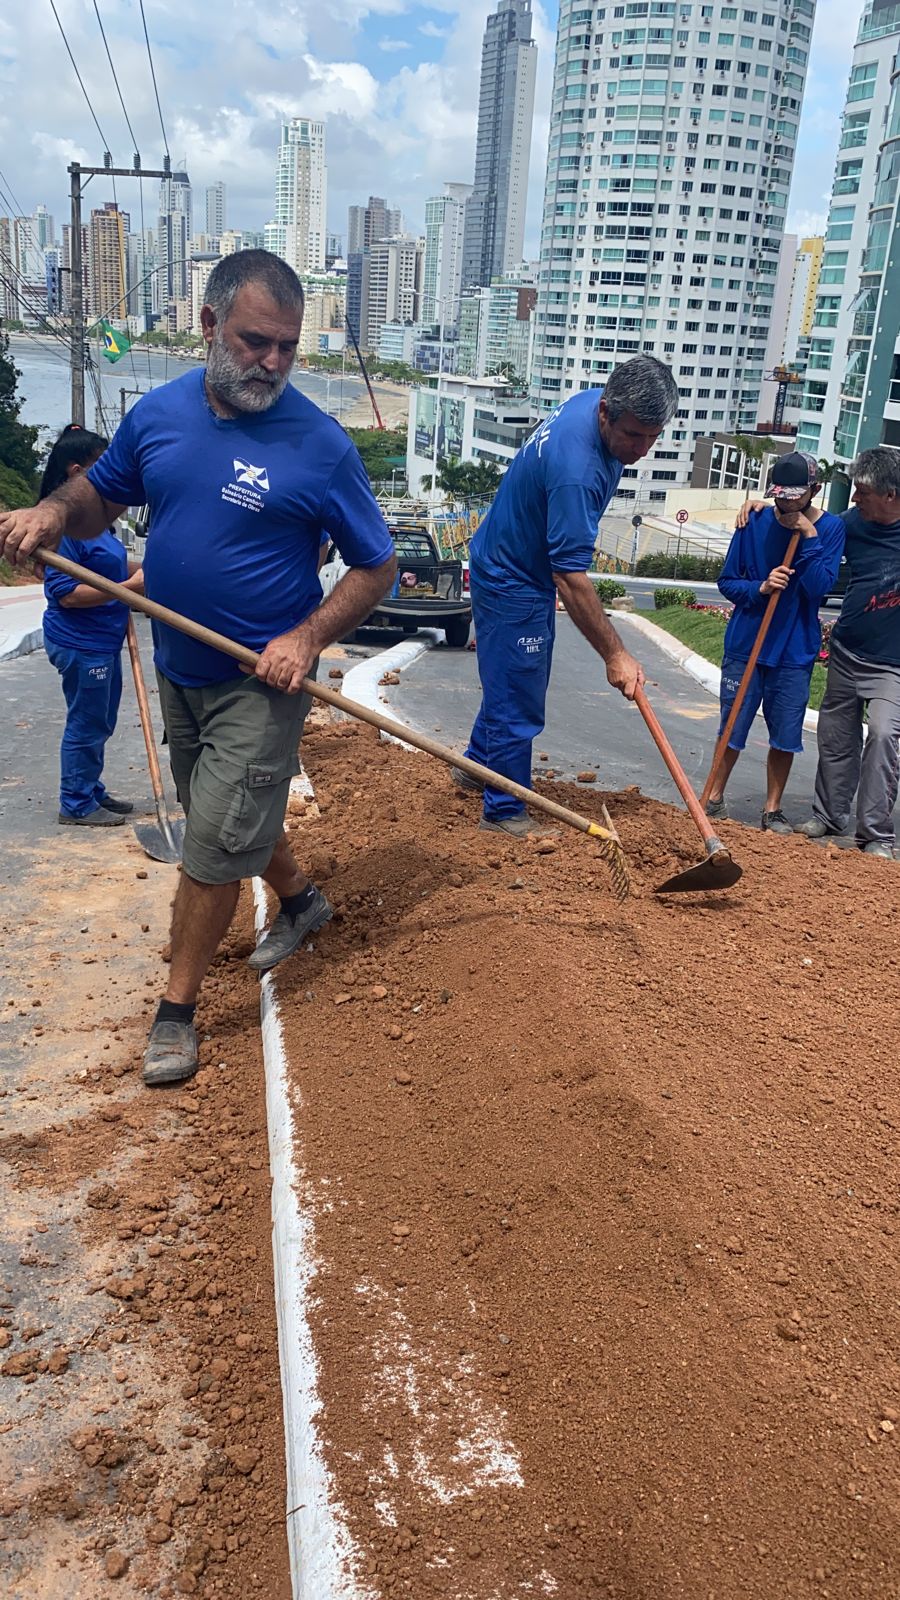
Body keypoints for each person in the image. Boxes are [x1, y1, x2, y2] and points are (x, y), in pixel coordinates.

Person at [0, 250, 397, 1085]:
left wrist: (308, 638)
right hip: (179, 667)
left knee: (212, 844)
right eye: (257, 341)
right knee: (224, 814)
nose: (274, 364)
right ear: (210, 326)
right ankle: (302, 902)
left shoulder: (319, 446)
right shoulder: (159, 414)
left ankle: (175, 1012)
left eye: (288, 347)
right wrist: (50, 512)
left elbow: (375, 567)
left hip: (261, 679)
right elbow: (100, 496)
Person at [455, 355, 680, 835]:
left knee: (512, 676)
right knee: (519, 692)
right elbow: (571, 576)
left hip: (516, 559)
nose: (642, 449)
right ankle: (504, 810)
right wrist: (615, 654)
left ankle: (477, 764)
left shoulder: (590, 413)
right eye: (634, 435)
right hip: (511, 574)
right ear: (606, 413)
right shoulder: (577, 468)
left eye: (652, 437)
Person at [738, 447, 900, 858]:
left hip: (893, 664)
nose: (854, 499)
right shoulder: (852, 525)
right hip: (848, 650)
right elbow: (808, 519)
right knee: (835, 738)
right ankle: (829, 816)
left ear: (891, 495)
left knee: (882, 736)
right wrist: (761, 506)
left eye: (862, 492)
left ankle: (876, 834)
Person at [706, 452, 845, 833]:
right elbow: (727, 581)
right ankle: (713, 798)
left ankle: (772, 809)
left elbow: (819, 587)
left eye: (794, 496)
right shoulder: (752, 521)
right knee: (731, 725)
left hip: (793, 651)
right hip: (747, 643)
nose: (784, 502)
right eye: (779, 495)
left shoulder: (830, 530)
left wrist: (809, 536)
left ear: (814, 492)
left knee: (785, 734)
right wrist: (760, 587)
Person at [40, 425, 145, 827]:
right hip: (80, 642)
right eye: (101, 467)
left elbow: (112, 569)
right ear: (75, 471)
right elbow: (66, 593)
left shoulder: (98, 524)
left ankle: (90, 785)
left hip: (103, 641)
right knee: (86, 721)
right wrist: (128, 589)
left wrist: (148, 573)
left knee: (100, 718)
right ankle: (76, 802)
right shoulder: (63, 528)